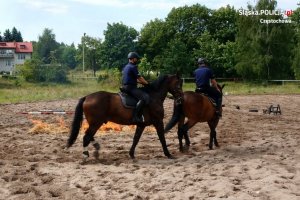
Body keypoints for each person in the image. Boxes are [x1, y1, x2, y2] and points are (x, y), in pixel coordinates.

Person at [121, 52, 150, 123]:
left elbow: (133, 79)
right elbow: (140, 78)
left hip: (124, 86)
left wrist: (142, 82)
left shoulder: (126, 67)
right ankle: (136, 117)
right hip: (130, 88)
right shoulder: (133, 67)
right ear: (133, 59)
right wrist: (148, 84)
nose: (137, 60)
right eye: (136, 59)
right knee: (144, 97)